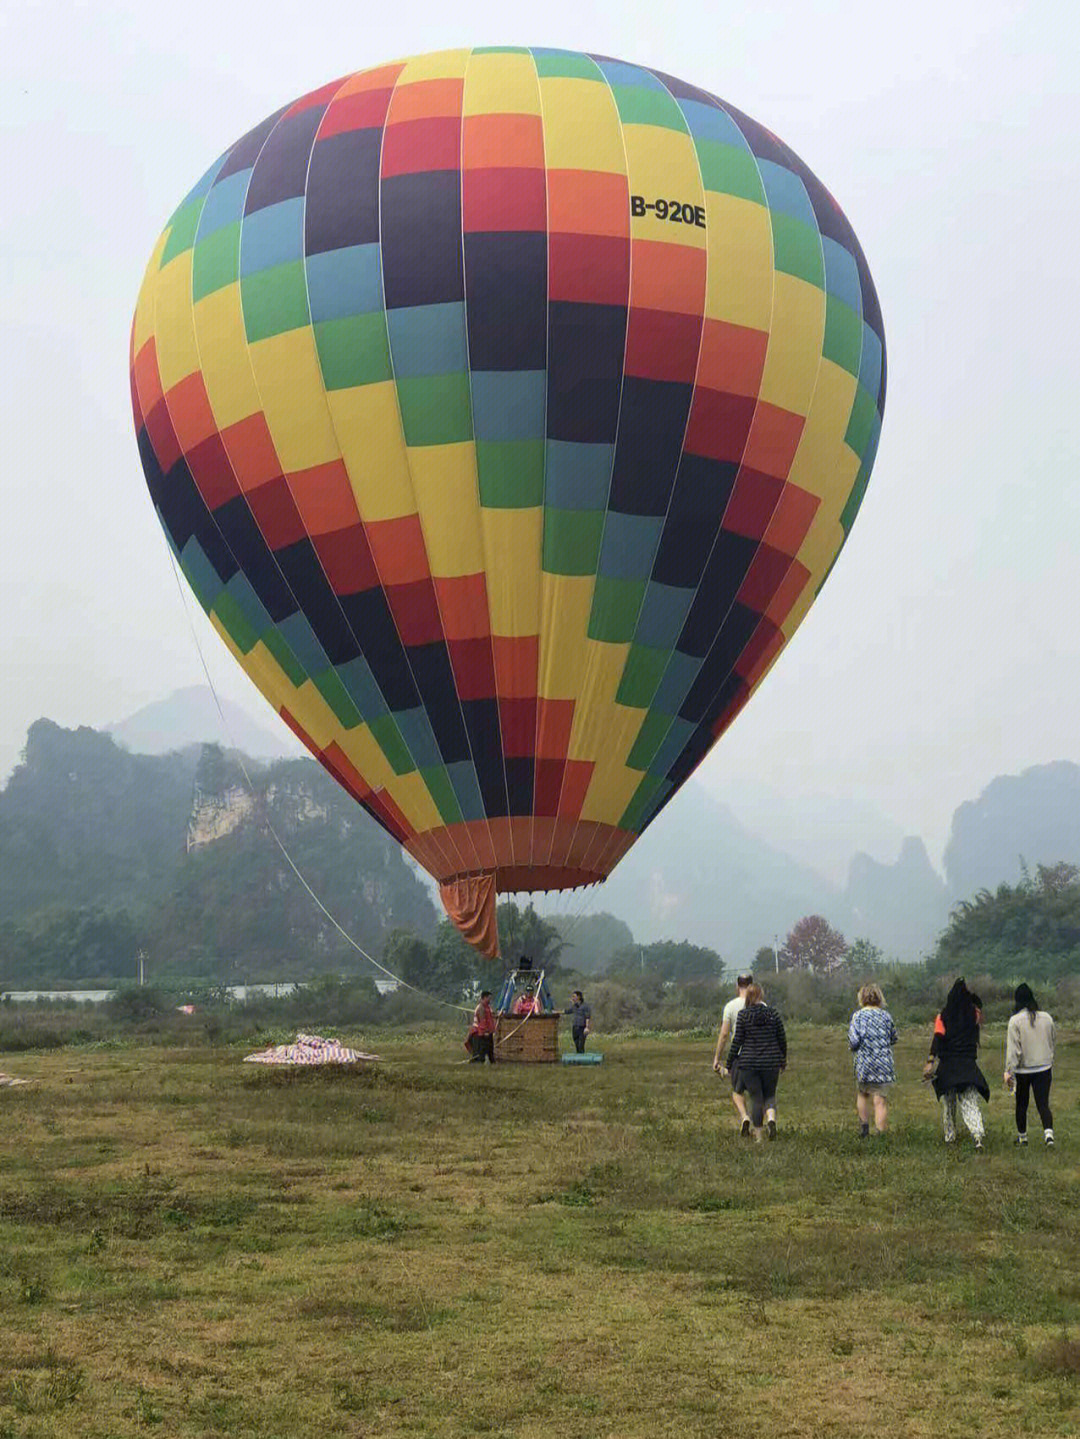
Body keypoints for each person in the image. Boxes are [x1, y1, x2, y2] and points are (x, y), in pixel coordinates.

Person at [923, 978, 989, 1150]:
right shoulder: (974, 1014)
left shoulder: (943, 1016)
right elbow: (978, 1004)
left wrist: (930, 1061)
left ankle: (950, 1136)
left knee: (949, 1104)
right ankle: (978, 1136)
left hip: (948, 1067)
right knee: (970, 1103)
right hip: (968, 1066)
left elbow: (937, 1039)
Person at [727, 982, 786, 1141]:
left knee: (756, 1098)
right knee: (769, 1095)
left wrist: (729, 1062)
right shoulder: (773, 1014)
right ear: (761, 995)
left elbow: (737, 1041)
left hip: (749, 1063)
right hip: (771, 1062)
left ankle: (759, 1136)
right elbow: (782, 1039)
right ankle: (772, 1120)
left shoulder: (743, 1015)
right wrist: (782, 1059)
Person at [1004, 983, 1056, 1147]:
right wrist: (1049, 1058)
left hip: (1023, 1069)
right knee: (1043, 1104)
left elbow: (1014, 1050)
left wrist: (1008, 1071)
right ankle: (1048, 1135)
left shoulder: (1015, 1021)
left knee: (1021, 1104)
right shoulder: (1046, 1017)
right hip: (1044, 1067)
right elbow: (1052, 1040)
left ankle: (1023, 1138)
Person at [847, 983, 898, 1135]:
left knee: (863, 1094)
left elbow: (853, 1042)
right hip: (883, 1063)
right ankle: (880, 1133)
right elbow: (894, 1037)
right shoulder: (886, 1016)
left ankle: (864, 1128)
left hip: (865, 1063)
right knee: (880, 1100)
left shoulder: (858, 1016)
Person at [713, 973, 753, 1135]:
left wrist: (717, 1058)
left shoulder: (730, 1006)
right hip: (759, 1054)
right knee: (758, 1093)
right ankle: (760, 1126)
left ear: (737, 986)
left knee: (738, 1091)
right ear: (752, 986)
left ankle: (744, 1117)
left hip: (739, 1055)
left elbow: (724, 1035)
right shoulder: (761, 1004)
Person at [470, 990, 496, 1064]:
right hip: (481, 1032)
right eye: (489, 998)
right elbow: (482, 1021)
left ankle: (492, 1061)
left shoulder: (487, 1007)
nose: (490, 1000)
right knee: (481, 1049)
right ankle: (479, 1062)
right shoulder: (481, 1008)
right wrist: (485, 1031)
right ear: (484, 998)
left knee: (490, 1049)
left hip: (488, 1032)